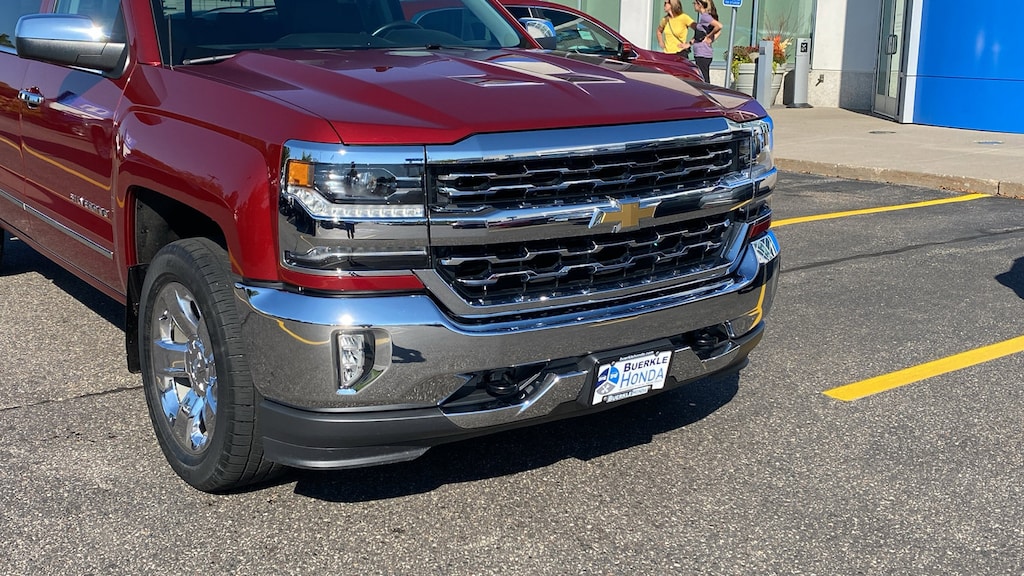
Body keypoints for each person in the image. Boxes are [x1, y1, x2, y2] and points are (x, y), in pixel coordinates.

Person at [690, 0, 723, 84]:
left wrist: (709, 37)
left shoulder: (705, 16)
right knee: (703, 77)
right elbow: (718, 32)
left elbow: (719, 26)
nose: (693, 5)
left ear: (700, 4)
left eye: (694, 3)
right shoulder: (703, 17)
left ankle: (707, 95)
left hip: (703, 54)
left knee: (704, 79)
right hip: (701, 53)